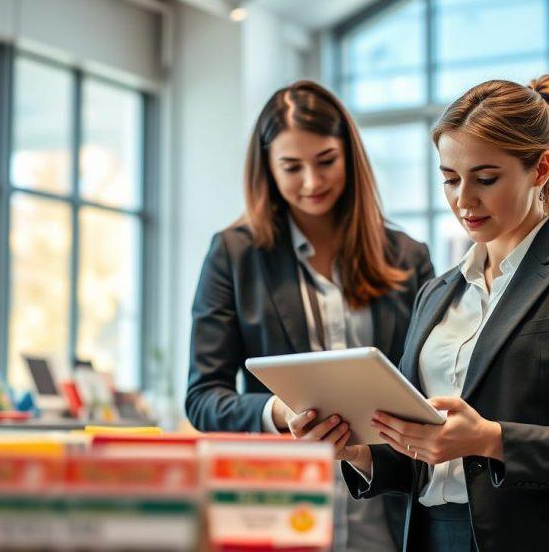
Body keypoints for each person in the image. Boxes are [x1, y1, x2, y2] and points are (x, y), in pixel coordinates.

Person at [291, 75, 549, 552]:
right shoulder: (437, 292)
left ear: (541, 168)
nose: (464, 200)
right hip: (435, 536)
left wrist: (490, 439)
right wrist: (358, 451)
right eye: (450, 178)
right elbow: (422, 459)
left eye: (486, 179)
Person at [186, 80, 435, 551]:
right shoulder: (234, 255)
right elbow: (202, 397)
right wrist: (278, 412)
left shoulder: (407, 257)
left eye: (325, 161)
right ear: (267, 170)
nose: (312, 182)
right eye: (291, 167)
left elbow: (430, 383)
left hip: (386, 514)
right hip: (275, 510)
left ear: (349, 156)